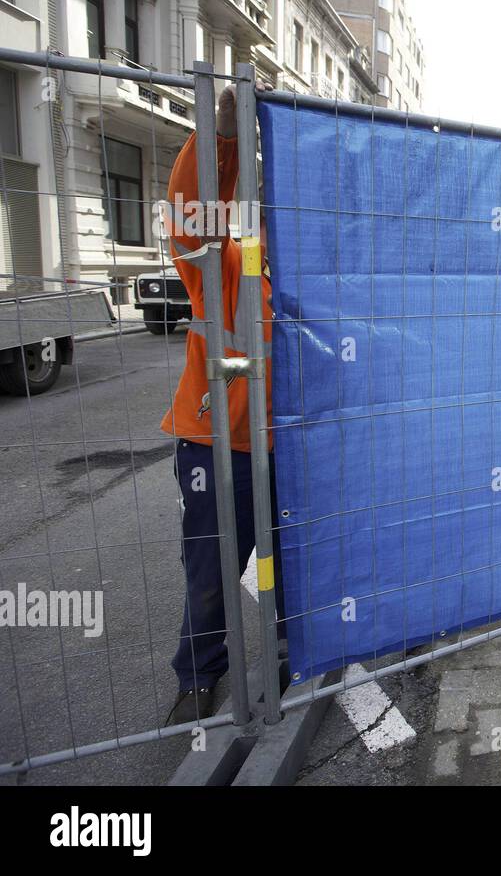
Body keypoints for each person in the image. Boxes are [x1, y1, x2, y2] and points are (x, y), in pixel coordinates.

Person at [162, 78, 280, 725]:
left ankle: (292, 654)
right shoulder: (228, 265)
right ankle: (200, 675)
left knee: (295, 564)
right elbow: (188, 211)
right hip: (219, 444)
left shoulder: (318, 286)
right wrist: (225, 137)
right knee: (210, 570)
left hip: (289, 447)